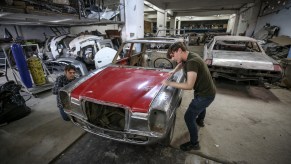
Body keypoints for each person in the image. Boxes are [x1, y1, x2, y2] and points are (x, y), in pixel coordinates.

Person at [162, 42, 216, 151]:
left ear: (179, 50)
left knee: (188, 117)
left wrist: (169, 83)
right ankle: (200, 121)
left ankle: (194, 143)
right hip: (207, 90)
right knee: (201, 106)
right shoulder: (190, 55)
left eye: (173, 55)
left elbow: (189, 86)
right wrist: (173, 71)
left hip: (205, 95)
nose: (172, 59)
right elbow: (182, 63)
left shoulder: (192, 62)